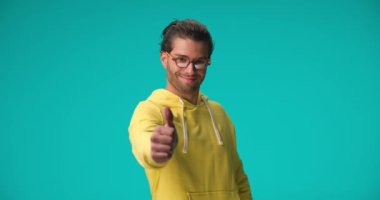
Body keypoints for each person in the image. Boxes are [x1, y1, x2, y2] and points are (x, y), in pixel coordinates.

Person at [129, 19, 252, 200]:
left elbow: (238, 178)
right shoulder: (150, 110)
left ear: (208, 62)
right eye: (181, 60)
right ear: (164, 58)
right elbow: (143, 141)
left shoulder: (219, 113)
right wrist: (154, 149)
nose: (190, 70)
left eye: (199, 62)